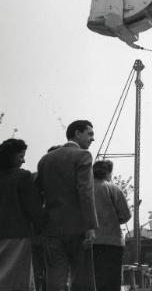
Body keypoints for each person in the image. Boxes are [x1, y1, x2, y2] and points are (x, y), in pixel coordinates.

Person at [36, 119, 98, 291]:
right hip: (78, 228)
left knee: (55, 275)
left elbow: (38, 194)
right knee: (82, 277)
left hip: (51, 228)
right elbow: (85, 191)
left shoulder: (45, 160)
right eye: (90, 134)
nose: (92, 139)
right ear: (77, 133)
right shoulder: (83, 156)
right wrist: (90, 226)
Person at [0, 138, 43, 291]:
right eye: (21, 156)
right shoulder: (22, 177)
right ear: (10, 157)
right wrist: (43, 228)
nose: (24, 161)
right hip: (17, 236)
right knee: (19, 280)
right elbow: (34, 208)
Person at [92, 159, 131, 291]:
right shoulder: (114, 189)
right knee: (112, 282)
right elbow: (126, 215)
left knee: (94, 281)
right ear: (108, 173)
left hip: (91, 242)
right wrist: (114, 219)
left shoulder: (84, 188)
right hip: (113, 243)